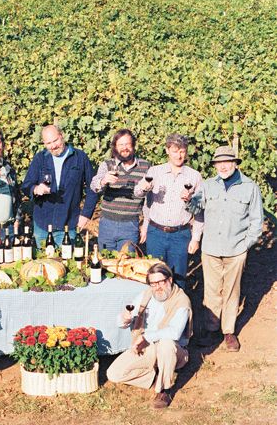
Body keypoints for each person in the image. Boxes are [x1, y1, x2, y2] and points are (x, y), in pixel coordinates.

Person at [183, 146, 263, 351]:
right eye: (219, 163)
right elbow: (196, 209)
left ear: (235, 163)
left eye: (227, 162)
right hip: (210, 248)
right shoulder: (208, 186)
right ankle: (212, 329)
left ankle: (229, 331)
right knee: (211, 290)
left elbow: (256, 221)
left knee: (231, 291)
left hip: (236, 250)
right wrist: (188, 201)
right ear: (215, 165)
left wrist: (245, 245)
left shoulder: (250, 187)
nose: (223, 166)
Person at [107, 262, 192, 409]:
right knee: (113, 374)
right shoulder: (146, 295)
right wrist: (125, 319)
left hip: (173, 350)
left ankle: (165, 389)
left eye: (161, 282)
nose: (158, 287)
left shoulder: (181, 300)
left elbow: (175, 332)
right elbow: (122, 320)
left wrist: (146, 337)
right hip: (147, 347)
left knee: (166, 344)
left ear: (170, 280)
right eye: (153, 283)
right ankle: (154, 378)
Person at [134, 133, 204, 288]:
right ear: (167, 150)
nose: (179, 155)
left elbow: (199, 211)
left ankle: (177, 310)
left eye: (182, 151)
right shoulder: (154, 172)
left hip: (181, 235)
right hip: (156, 233)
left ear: (186, 152)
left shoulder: (195, 177)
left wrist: (196, 238)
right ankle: (155, 311)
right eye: (175, 151)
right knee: (154, 277)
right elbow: (138, 194)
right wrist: (143, 189)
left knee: (178, 278)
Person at [21, 125, 98, 245]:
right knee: (42, 261)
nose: (53, 146)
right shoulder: (39, 159)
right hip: (42, 225)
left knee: (69, 262)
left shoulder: (80, 157)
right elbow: (26, 186)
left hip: (69, 223)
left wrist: (86, 214)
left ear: (62, 136)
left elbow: (93, 187)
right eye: (48, 143)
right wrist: (35, 189)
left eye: (55, 140)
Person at [90, 129, 150, 251]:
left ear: (133, 145)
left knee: (126, 263)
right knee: (105, 262)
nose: (124, 148)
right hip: (107, 223)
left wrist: (145, 225)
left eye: (127, 144)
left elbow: (149, 201)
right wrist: (103, 181)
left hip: (130, 225)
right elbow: (93, 185)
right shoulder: (107, 165)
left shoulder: (145, 167)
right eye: (121, 145)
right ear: (115, 147)